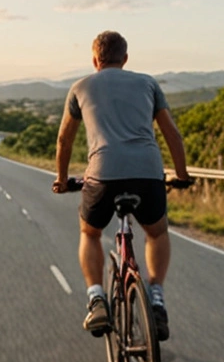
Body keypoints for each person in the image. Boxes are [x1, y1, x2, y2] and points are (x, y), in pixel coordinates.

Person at [51, 31, 191, 340]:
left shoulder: (80, 87)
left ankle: (97, 298)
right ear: (125, 59)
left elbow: (64, 140)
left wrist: (62, 180)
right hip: (148, 174)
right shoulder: (148, 84)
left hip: (102, 174)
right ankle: (156, 298)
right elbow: (172, 134)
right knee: (156, 232)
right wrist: (180, 175)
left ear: (94, 60)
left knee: (90, 232)